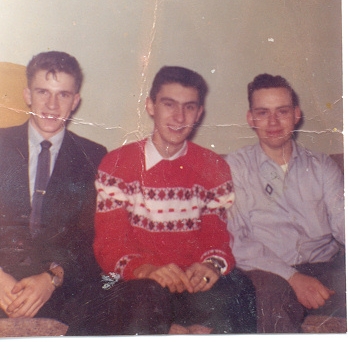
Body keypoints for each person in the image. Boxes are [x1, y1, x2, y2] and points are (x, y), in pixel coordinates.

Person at [69, 65, 256, 335]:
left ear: (199, 113)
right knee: (145, 295)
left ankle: (190, 329)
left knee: (240, 287)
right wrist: (145, 269)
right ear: (150, 106)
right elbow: (109, 245)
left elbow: (217, 239)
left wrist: (210, 265)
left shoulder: (213, 166)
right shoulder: (117, 163)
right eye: (169, 104)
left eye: (189, 107)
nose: (179, 117)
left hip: (190, 284)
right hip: (136, 283)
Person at [226, 73, 345, 333]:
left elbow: (342, 224)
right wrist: (293, 277)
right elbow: (236, 240)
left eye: (282, 111)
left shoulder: (322, 166)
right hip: (268, 271)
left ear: (296, 114)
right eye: (262, 112)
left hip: (324, 268)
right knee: (271, 294)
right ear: (251, 118)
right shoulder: (236, 167)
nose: (273, 122)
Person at [0, 51, 107, 326]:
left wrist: (52, 279)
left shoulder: (93, 156)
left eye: (63, 95)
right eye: (42, 92)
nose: (51, 104)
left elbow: (92, 241)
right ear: (27, 95)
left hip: (56, 286)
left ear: (75, 101)